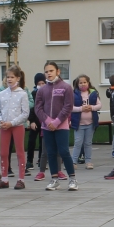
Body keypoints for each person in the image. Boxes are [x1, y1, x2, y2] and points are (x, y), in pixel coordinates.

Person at [35, 62, 77, 191]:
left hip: (61, 126)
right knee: (51, 153)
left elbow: (68, 106)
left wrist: (57, 121)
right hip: (47, 127)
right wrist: (48, 121)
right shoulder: (42, 90)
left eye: (51, 71)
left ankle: (72, 179)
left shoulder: (66, 87)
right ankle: (54, 180)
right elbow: (38, 108)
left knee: (64, 151)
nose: (49, 73)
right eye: (46, 71)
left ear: (58, 72)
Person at [0, 67, 29, 189]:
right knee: (3, 152)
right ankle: (4, 179)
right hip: (4, 127)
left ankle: (21, 179)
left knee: (19, 152)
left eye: (12, 77)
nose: (9, 79)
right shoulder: (2, 93)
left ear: (18, 78)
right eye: (8, 77)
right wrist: (0, 120)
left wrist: (12, 123)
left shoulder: (22, 94)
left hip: (17, 126)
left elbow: (25, 113)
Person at [70, 74, 101, 170]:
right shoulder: (74, 94)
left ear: (88, 83)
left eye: (85, 82)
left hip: (90, 123)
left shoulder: (93, 93)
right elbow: (70, 107)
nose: (83, 84)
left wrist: (91, 107)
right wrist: (81, 109)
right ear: (77, 84)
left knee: (88, 143)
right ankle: (73, 162)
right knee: (78, 143)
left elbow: (99, 105)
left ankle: (88, 161)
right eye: (80, 83)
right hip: (79, 124)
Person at [27, 71, 47, 179]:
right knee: (31, 141)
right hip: (35, 121)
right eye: (39, 84)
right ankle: (29, 161)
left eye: (43, 83)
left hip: (43, 121)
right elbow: (32, 108)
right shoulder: (33, 94)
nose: (41, 85)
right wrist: (32, 121)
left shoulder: (47, 93)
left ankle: (41, 160)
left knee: (42, 142)